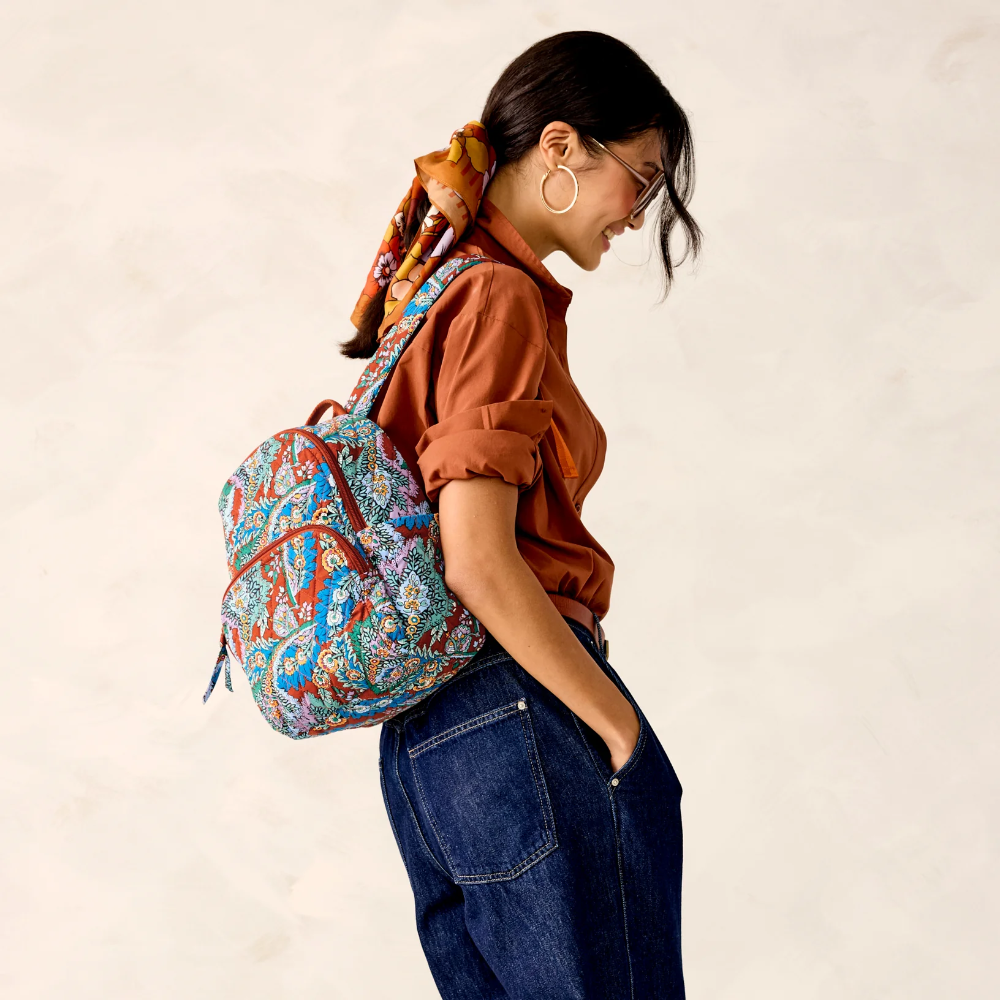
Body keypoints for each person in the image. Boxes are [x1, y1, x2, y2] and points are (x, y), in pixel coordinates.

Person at [342, 30, 701, 1000]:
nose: (640, 212)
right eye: (640, 174)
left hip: (428, 741)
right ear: (558, 147)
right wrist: (618, 726)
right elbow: (475, 556)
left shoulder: (435, 292)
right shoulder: (497, 296)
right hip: (517, 711)